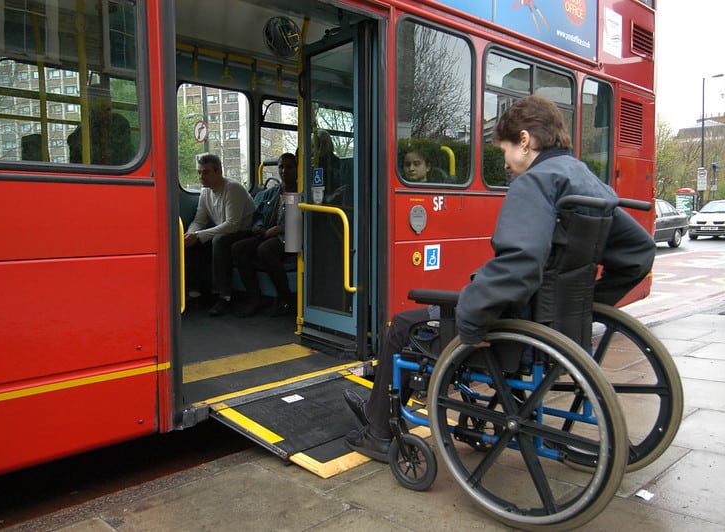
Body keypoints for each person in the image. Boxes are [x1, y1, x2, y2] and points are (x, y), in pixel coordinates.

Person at [343, 95, 656, 462]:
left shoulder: (536, 181)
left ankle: (379, 431)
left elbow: (520, 264)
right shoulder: (588, 181)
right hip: (559, 330)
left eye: (505, 149)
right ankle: (378, 410)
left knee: (402, 326)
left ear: (525, 140)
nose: (505, 163)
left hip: (513, 329)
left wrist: (472, 319)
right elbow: (639, 254)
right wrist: (587, 305)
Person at [185, 153, 256, 316]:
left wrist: (199, 235)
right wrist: (191, 235)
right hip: (226, 231)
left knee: (219, 241)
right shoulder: (205, 192)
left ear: (219, 172)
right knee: (192, 241)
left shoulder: (233, 188)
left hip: (245, 232)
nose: (201, 176)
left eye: (206, 172)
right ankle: (194, 293)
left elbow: (233, 224)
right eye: (199, 172)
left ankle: (223, 296)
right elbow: (199, 220)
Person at [232, 153, 298, 317]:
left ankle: (285, 298)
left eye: (289, 167)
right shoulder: (271, 193)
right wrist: (261, 229)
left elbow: (297, 224)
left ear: (297, 169)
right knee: (238, 248)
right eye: (281, 167)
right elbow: (257, 216)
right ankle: (254, 298)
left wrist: (279, 229)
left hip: (290, 238)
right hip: (267, 234)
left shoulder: (299, 192)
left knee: (265, 250)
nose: (284, 171)